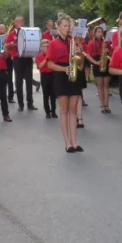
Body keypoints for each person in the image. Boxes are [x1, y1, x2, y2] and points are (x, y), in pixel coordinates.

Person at [46, 14, 83, 153]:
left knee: (73, 110)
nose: (68, 28)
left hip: (73, 75)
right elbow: (49, 63)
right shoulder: (53, 43)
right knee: (64, 110)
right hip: (61, 76)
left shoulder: (72, 41)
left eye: (69, 26)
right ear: (59, 27)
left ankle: (75, 141)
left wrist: (79, 55)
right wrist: (64, 69)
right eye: (65, 26)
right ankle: (67, 142)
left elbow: (80, 62)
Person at [6, 16, 37, 112]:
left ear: (23, 22)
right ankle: (21, 104)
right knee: (19, 82)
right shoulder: (11, 34)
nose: (20, 22)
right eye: (17, 21)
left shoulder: (27, 32)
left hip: (27, 58)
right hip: (17, 59)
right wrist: (11, 44)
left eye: (21, 21)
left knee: (28, 82)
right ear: (14, 23)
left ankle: (30, 103)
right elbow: (6, 45)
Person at [82, 25, 111, 114]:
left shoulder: (105, 42)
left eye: (101, 32)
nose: (100, 33)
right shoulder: (91, 43)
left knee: (106, 85)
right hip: (97, 63)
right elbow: (87, 54)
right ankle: (102, 105)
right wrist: (95, 62)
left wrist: (108, 51)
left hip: (106, 63)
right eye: (98, 32)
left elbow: (111, 53)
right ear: (94, 33)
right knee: (100, 85)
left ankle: (107, 105)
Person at [35, 38, 56, 118]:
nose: (46, 48)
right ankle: (47, 112)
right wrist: (47, 58)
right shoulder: (39, 56)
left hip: (52, 74)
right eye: (44, 46)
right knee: (46, 94)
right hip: (44, 75)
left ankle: (53, 111)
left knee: (53, 94)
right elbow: (40, 66)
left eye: (48, 46)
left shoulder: (53, 55)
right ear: (41, 47)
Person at [0, 23, 14, 103]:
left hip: (8, 59)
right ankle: (1, 97)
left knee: (10, 78)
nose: (2, 30)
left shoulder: (9, 35)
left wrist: (9, 44)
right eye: (1, 29)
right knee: (1, 79)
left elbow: (13, 45)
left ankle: (11, 97)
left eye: (3, 28)